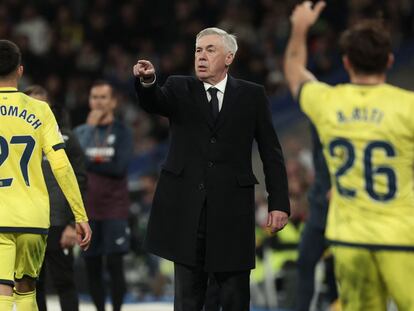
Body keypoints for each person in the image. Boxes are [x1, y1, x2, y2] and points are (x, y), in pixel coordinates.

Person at [133, 27, 290, 311]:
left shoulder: (252, 95)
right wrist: (148, 82)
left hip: (232, 212)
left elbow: (271, 151)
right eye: (197, 50)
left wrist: (278, 203)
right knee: (188, 299)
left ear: (229, 57)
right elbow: (154, 100)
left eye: (210, 50)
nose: (201, 57)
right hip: (188, 211)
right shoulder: (180, 87)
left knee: (233, 297)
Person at [284, 2, 414, 310]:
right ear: (390, 60)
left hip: (349, 239)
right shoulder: (408, 106)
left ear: (346, 62)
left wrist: (300, 27)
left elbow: (293, 69)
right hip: (400, 236)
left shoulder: (327, 101)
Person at [0, 40, 91, 311]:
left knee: (2, 291)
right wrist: (80, 214)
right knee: (27, 290)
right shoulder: (41, 111)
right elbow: (62, 166)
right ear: (20, 71)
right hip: (34, 217)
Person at [24, 85, 86, 311]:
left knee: (65, 282)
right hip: (29, 221)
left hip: (60, 223)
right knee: (31, 285)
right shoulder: (16, 138)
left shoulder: (67, 138)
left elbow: (79, 181)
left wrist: (72, 223)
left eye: (44, 105)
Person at [74, 80, 133, 311]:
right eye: (94, 97)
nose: (98, 102)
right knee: (92, 265)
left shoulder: (122, 132)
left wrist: (90, 162)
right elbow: (74, 166)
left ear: (113, 102)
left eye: (103, 97)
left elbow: (119, 168)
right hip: (86, 209)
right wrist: (89, 132)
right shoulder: (80, 132)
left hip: (114, 208)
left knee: (115, 264)